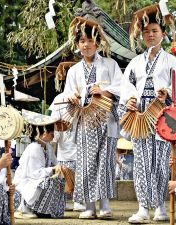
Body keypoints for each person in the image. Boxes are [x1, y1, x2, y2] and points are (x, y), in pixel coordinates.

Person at [118, 3, 176, 224]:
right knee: (141, 162)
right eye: (146, 32)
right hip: (141, 116)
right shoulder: (134, 63)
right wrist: (130, 100)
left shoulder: (172, 62)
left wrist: (167, 96)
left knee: (161, 162)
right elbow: (126, 88)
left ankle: (160, 206)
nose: (150, 35)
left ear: (163, 34)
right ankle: (142, 208)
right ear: (141, 35)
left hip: (163, 117)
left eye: (155, 31)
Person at [64, 16, 122, 219]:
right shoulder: (73, 70)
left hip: (106, 120)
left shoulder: (110, 64)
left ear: (97, 42)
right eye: (82, 41)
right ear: (77, 45)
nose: (86, 45)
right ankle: (89, 206)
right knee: (86, 164)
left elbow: (121, 87)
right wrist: (70, 96)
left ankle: (105, 205)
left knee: (105, 162)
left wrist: (104, 90)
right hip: (85, 123)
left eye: (90, 40)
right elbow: (66, 93)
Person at [13, 110, 67, 219]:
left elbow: (55, 164)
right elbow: (34, 174)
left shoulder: (48, 147)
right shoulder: (34, 148)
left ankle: (47, 210)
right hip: (27, 183)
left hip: (36, 180)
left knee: (60, 179)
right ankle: (30, 208)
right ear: (43, 133)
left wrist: (61, 169)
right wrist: (52, 170)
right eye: (51, 132)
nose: (53, 135)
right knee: (48, 182)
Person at [49, 92, 86, 212]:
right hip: (65, 147)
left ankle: (79, 200)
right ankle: (64, 201)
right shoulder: (60, 98)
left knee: (82, 175)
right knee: (65, 176)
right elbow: (53, 121)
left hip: (83, 145)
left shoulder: (87, 96)